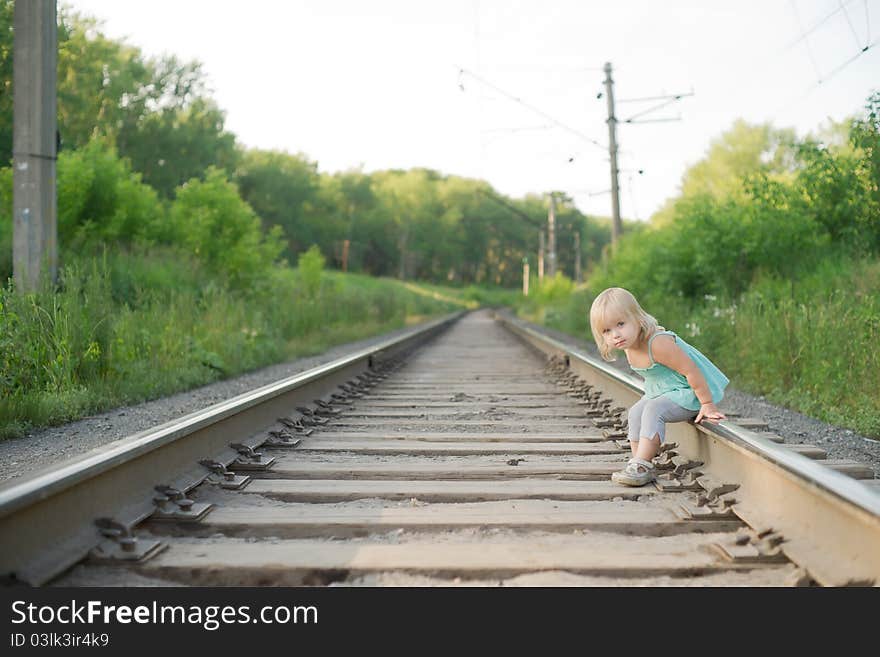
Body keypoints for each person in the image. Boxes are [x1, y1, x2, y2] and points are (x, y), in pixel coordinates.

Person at [589, 287, 729, 487]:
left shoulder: (658, 343)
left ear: (637, 318)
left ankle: (643, 464)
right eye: (607, 331)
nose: (616, 335)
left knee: (653, 409)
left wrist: (707, 403)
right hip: (665, 392)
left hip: (689, 392)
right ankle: (638, 462)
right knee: (636, 412)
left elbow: (691, 371)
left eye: (620, 324)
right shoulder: (629, 346)